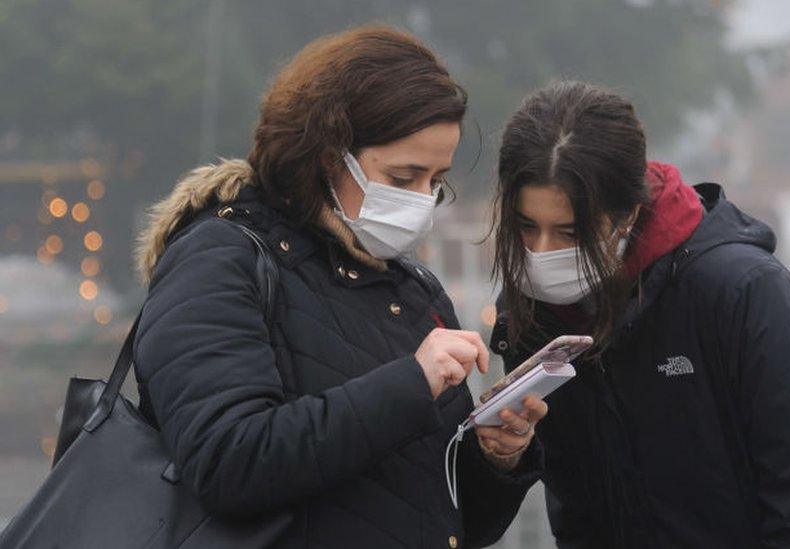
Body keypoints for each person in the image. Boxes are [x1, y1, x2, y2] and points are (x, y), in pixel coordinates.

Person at [132, 25, 546, 548]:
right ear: (327, 157)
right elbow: (227, 465)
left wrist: (495, 454)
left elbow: (454, 523)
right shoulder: (219, 258)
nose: (422, 201)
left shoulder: (410, 287)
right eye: (402, 178)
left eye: (435, 181)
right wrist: (410, 383)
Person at [487, 80, 790, 548]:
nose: (541, 252)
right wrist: (503, 457)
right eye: (527, 227)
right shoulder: (534, 317)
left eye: (570, 233)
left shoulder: (745, 294)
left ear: (628, 214)